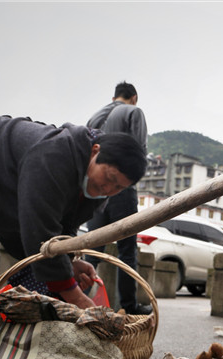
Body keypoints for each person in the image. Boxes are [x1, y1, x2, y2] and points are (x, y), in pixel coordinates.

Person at [0, 114, 147, 309]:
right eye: (110, 178)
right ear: (95, 151)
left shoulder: (93, 193)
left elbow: (61, 234)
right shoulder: (55, 154)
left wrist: (70, 264)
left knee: (50, 283)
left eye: (118, 188)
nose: (109, 189)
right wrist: (75, 297)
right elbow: (39, 231)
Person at [85, 81, 151, 315]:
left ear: (115, 97)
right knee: (126, 249)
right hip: (121, 187)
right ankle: (129, 307)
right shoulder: (134, 112)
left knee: (92, 248)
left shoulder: (95, 116)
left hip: (93, 186)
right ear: (134, 97)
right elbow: (138, 152)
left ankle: (78, 299)